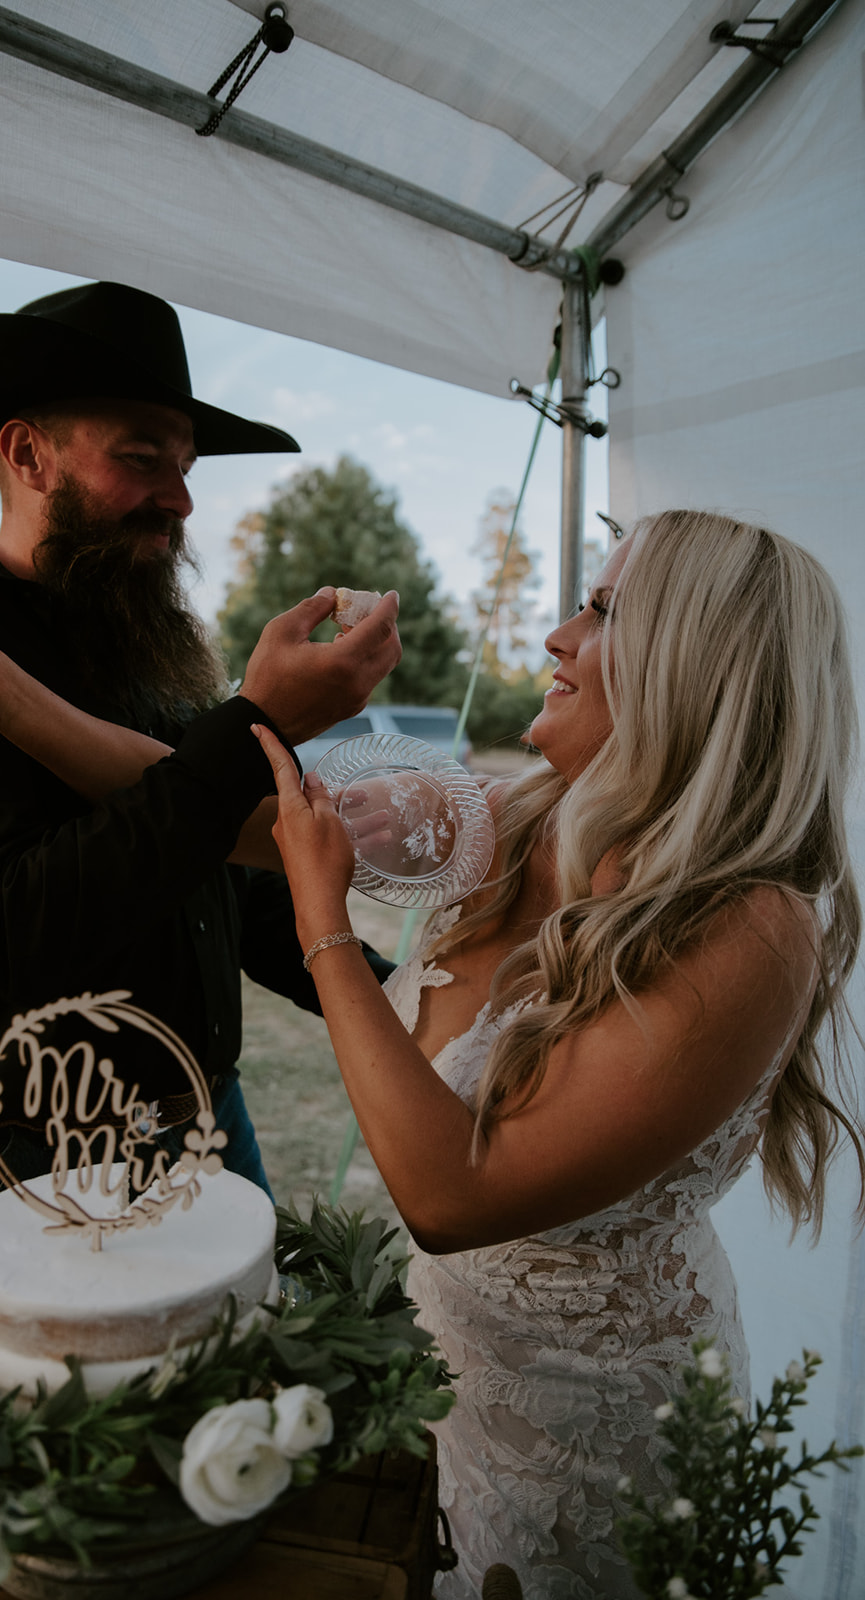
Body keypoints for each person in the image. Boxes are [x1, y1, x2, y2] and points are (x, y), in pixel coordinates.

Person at [248, 511, 865, 1597]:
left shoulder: (754, 928)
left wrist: (325, 924)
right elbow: (209, 811)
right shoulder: (507, 821)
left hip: (595, 1452)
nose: (557, 637)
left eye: (604, 610)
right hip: (445, 1383)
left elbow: (449, 1194)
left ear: (698, 665)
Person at [0, 280, 401, 1247]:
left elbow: (220, 868)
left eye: (185, 468)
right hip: (10, 1157)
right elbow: (22, 929)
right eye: (143, 460)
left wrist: (400, 1001)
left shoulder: (146, 645)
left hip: (204, 1120)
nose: (178, 501)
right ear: (26, 453)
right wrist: (255, 720)